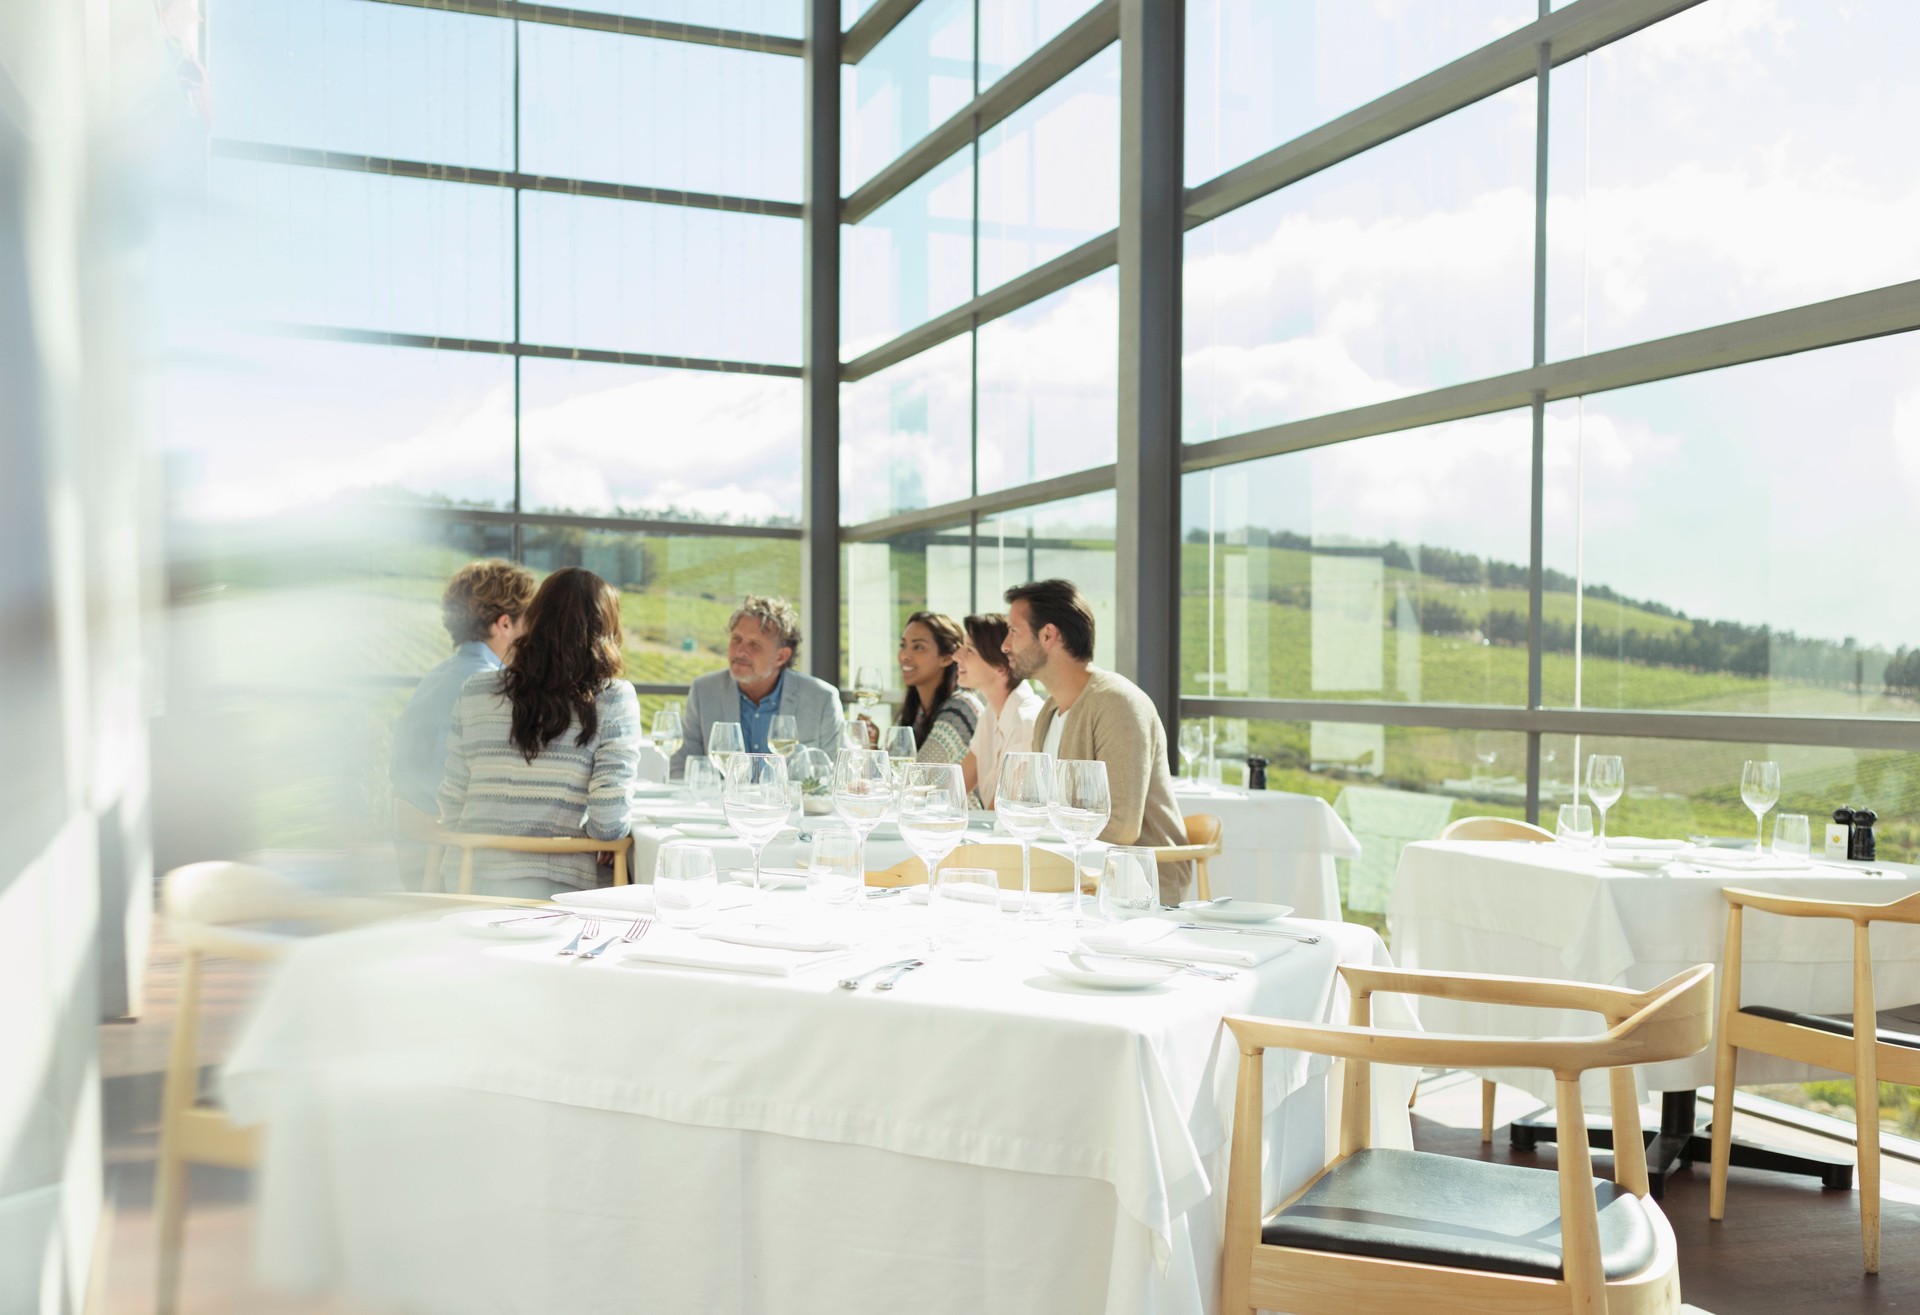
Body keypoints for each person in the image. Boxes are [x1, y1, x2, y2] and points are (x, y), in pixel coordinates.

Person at [437, 567, 640, 896]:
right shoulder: (614, 698)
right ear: (606, 630)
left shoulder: (475, 690)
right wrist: (600, 835)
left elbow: (451, 803)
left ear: (533, 619)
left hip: (470, 880)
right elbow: (609, 822)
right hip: (559, 890)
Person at [1001, 578, 1191, 899]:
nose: (1005, 645)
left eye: (1013, 631)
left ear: (1048, 635)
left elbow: (1120, 828)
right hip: (1074, 876)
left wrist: (1036, 821)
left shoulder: (1118, 703)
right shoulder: (1048, 712)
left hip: (1137, 887)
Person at [390, 559, 536, 818]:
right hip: (460, 846)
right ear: (504, 624)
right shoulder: (492, 689)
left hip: (420, 838)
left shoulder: (434, 679)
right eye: (529, 623)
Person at [673, 595, 843, 773]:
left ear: (781, 656)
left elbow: (837, 776)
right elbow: (681, 769)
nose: (740, 651)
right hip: (720, 801)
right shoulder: (704, 691)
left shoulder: (821, 699)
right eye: (736, 639)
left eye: (754, 645)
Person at [955, 612, 1043, 807]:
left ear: (1001, 666)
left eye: (969, 649)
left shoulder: (1025, 722)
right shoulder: (991, 713)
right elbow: (954, 789)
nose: (956, 656)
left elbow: (1001, 813)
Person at [895, 611, 983, 765]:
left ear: (947, 658)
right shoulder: (917, 711)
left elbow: (919, 777)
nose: (904, 655)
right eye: (904, 645)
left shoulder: (960, 710)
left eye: (919, 647)